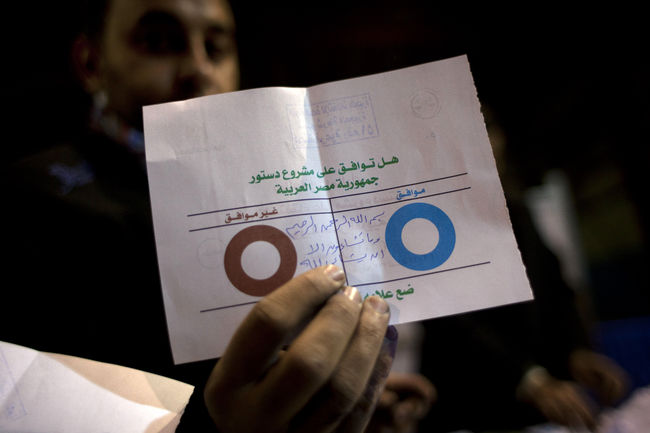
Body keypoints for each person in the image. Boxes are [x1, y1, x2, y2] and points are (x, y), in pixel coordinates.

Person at [0, 0, 434, 431]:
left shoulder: (276, 191)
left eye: (216, 47)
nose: (199, 68)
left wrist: (339, 399)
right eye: (159, 42)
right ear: (91, 62)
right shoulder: (26, 201)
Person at [417, 108, 629, 432]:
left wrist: (575, 352)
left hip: (536, 411)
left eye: (487, 128)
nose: (483, 142)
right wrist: (529, 378)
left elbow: (555, 290)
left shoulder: (517, 211)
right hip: (467, 409)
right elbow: (451, 320)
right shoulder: (429, 222)